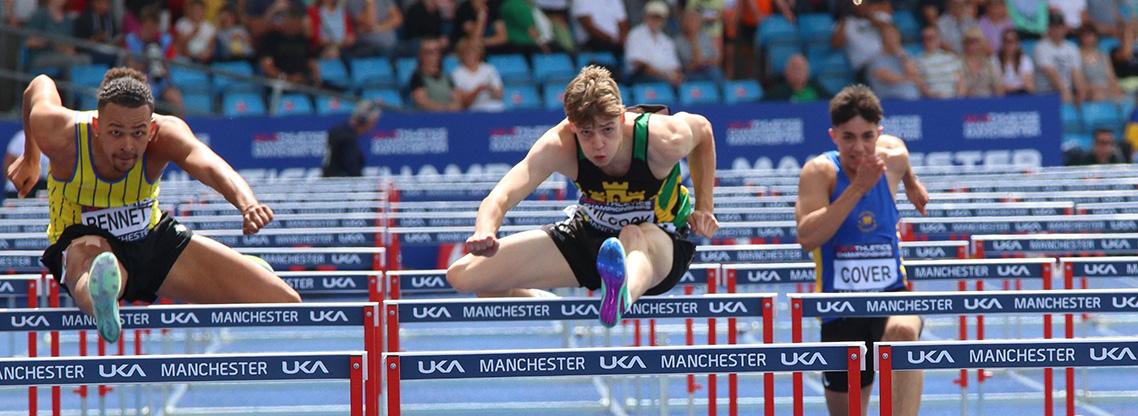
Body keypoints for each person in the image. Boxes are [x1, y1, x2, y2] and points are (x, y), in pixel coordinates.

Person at [8, 68, 300, 344]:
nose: (128, 145)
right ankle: (102, 300)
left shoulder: (166, 133)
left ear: (150, 129)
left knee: (285, 302)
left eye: (138, 133)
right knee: (93, 263)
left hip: (150, 238)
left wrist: (247, 204)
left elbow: (208, 164)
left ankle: (241, 271)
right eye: (116, 133)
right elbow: (39, 84)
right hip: (83, 239)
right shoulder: (61, 131)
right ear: (97, 126)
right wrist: (31, 157)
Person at [446, 66, 718, 327]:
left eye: (607, 130)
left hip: (661, 245)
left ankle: (621, 295)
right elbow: (502, 194)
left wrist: (704, 208)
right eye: (587, 133)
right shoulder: (559, 144)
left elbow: (704, 130)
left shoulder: (662, 137)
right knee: (465, 276)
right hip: (591, 240)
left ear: (622, 118)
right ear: (574, 127)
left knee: (632, 236)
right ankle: (545, 301)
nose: (598, 143)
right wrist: (485, 230)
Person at [795, 84, 929, 416]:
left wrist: (911, 182)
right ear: (833, 136)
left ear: (878, 134)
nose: (859, 147)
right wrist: (857, 188)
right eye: (848, 138)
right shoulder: (819, 173)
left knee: (902, 332)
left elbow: (899, 148)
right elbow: (808, 238)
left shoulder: (892, 157)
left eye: (867, 137)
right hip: (840, 307)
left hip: (892, 293)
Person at [323, 100, 381, 177]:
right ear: (364, 121)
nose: (373, 126)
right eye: (373, 122)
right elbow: (353, 172)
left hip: (329, 181)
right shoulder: (348, 138)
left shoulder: (337, 130)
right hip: (340, 185)